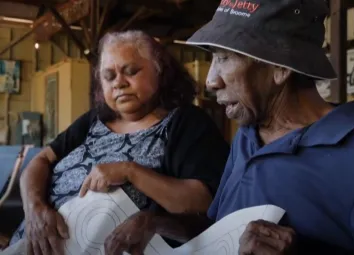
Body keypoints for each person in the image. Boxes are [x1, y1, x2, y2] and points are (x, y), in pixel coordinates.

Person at [103, 0, 354, 254]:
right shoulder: (248, 135)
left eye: (226, 58)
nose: (210, 80)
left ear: (279, 68)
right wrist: (157, 224)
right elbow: (220, 231)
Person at [10, 30, 230, 254]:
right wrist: (35, 208)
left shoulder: (185, 123)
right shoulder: (94, 120)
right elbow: (40, 161)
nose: (119, 83)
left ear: (159, 70)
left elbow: (203, 201)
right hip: (30, 243)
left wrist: (131, 171)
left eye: (131, 71)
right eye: (109, 76)